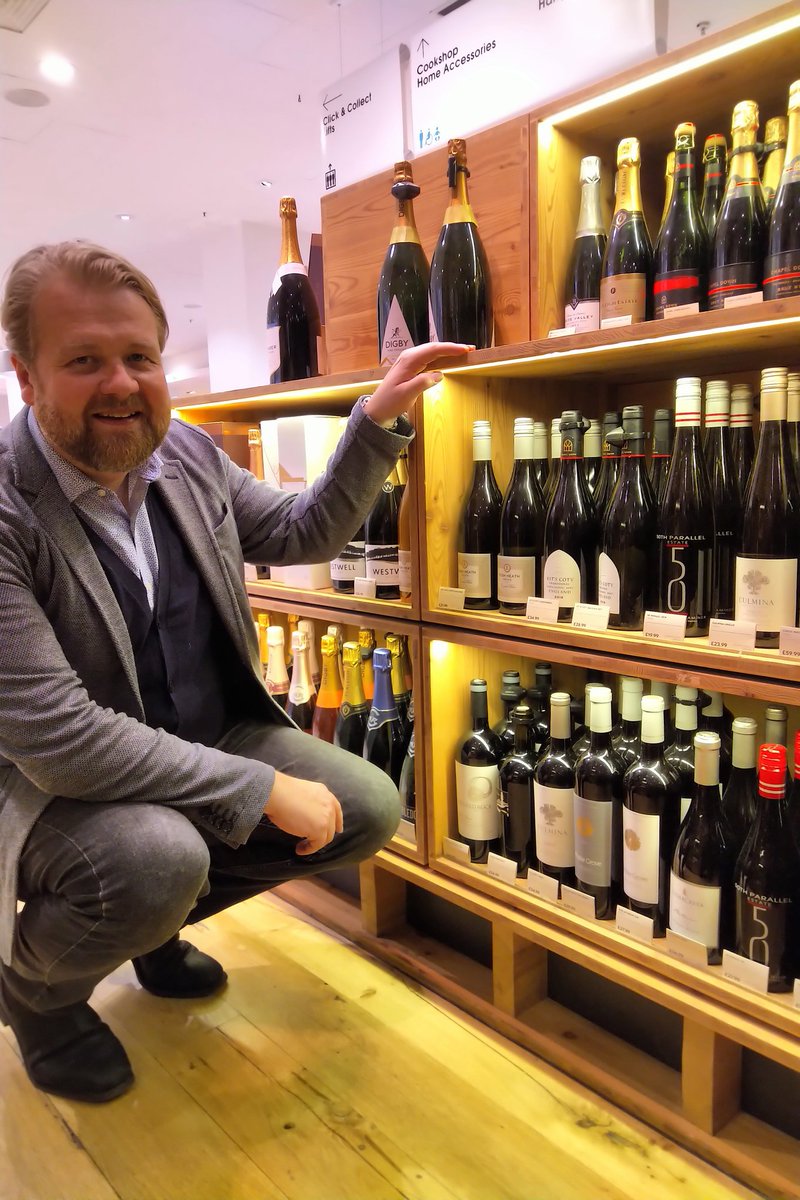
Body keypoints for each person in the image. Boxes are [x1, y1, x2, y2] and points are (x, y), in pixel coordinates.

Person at [0, 240, 468, 1104]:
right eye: (84, 361)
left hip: (201, 731)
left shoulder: (182, 452)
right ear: (26, 377)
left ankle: (151, 925)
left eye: (139, 357)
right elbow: (58, 741)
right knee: (153, 861)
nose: (123, 383)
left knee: (365, 806)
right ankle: (36, 992)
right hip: (52, 788)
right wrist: (254, 788)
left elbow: (299, 535)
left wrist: (377, 419)